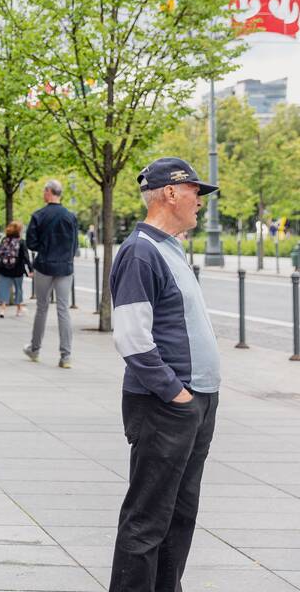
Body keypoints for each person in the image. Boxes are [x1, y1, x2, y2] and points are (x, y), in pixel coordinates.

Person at [108, 157, 220, 592]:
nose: (200, 202)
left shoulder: (170, 248)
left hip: (195, 402)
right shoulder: (140, 251)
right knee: (148, 518)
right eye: (195, 191)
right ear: (170, 193)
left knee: (179, 516)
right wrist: (177, 396)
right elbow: (132, 339)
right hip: (166, 405)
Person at [22, 179, 80, 368]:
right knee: (63, 310)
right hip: (65, 267)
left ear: (48, 192)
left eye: (43, 190)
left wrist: (44, 248)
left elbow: (31, 243)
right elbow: (74, 245)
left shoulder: (39, 215)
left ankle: (35, 349)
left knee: (42, 307)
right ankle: (66, 356)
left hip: (44, 265)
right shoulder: (70, 216)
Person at [0, 221, 32, 318]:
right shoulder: (21, 241)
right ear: (19, 231)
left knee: (4, 288)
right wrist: (30, 269)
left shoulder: (4, 240)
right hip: (18, 269)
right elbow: (26, 257)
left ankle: (2, 310)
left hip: (4, 269)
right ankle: (18, 310)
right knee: (18, 289)